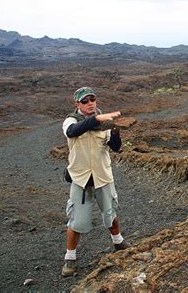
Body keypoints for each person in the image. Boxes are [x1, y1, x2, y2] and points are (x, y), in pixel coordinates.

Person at [61, 87, 128, 277]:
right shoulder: (71, 121)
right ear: (77, 104)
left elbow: (115, 148)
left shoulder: (105, 122)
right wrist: (97, 119)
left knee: (110, 213)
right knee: (76, 221)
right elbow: (73, 132)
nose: (90, 103)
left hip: (102, 177)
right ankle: (70, 258)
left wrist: (115, 133)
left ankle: (118, 242)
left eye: (92, 99)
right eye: (85, 101)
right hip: (81, 180)